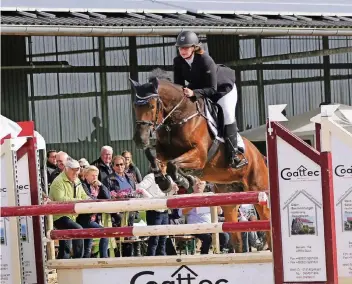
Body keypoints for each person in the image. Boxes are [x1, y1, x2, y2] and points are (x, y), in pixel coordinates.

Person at [173, 31, 247, 168]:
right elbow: (179, 85)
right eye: (180, 48)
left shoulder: (205, 60)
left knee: (227, 115)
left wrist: (193, 92)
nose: (182, 51)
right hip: (199, 88)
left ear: (194, 47)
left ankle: (234, 154)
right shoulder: (178, 61)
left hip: (222, 89)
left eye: (186, 47)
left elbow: (212, 89)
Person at [49, 158, 89, 259]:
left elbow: (84, 195)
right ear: (66, 169)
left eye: (78, 170)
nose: (76, 172)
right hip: (59, 216)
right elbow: (61, 200)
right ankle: (78, 260)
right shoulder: (58, 181)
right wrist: (79, 200)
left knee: (66, 243)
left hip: (72, 215)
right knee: (78, 229)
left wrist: (90, 200)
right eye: (73, 170)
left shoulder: (77, 180)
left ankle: (67, 261)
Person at [136, 161, 179, 256]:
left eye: (164, 165)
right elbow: (140, 187)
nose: (163, 166)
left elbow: (168, 194)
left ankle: (162, 260)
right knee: (154, 239)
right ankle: (151, 259)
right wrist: (151, 200)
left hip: (164, 210)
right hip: (154, 211)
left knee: (163, 238)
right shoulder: (151, 176)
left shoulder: (168, 177)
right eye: (161, 164)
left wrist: (173, 190)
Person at [77, 165, 110, 258]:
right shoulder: (83, 185)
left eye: (96, 175)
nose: (95, 177)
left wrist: (101, 186)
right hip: (85, 219)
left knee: (88, 244)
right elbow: (89, 199)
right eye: (92, 175)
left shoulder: (97, 186)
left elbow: (108, 198)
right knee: (105, 233)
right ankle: (104, 258)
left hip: (94, 218)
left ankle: (86, 262)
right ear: (86, 176)